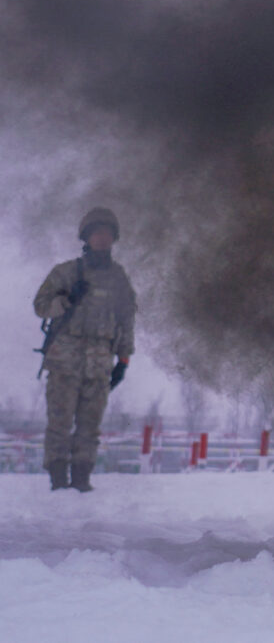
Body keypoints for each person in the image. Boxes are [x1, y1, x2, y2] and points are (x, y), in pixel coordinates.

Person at [33, 206, 137, 492]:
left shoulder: (119, 278)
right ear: (86, 237)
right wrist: (65, 301)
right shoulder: (66, 272)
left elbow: (126, 319)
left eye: (106, 234)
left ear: (113, 238)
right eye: (96, 233)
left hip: (100, 363)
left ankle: (81, 481)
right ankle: (57, 480)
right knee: (60, 423)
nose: (102, 239)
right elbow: (40, 306)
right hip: (65, 360)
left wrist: (124, 361)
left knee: (90, 427)